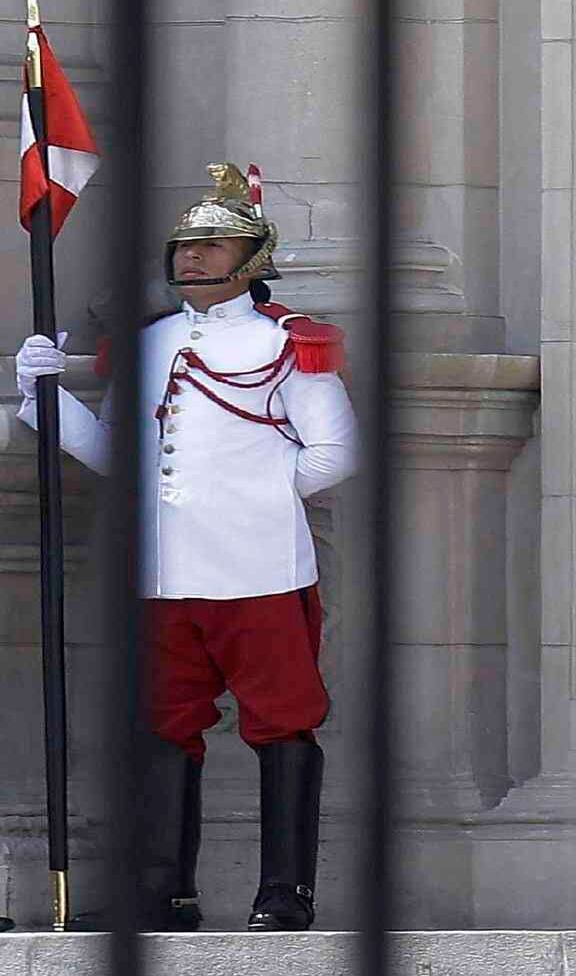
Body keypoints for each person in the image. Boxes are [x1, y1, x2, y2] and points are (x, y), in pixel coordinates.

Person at [13, 162, 358, 931]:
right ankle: (167, 892)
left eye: (214, 244)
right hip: (165, 574)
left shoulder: (287, 344)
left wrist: (257, 498)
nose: (192, 257)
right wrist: (46, 397)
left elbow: (335, 451)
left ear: (253, 258)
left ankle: (283, 894)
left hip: (260, 565)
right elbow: (115, 454)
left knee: (284, 723)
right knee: (164, 727)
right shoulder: (148, 344)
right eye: (184, 246)